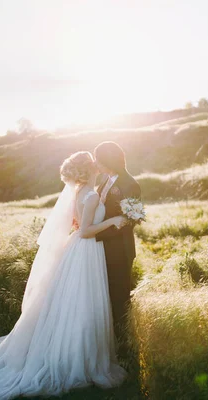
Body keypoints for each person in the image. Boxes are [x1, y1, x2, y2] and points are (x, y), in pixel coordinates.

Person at [0, 151, 127, 399]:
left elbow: (77, 225)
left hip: (77, 250)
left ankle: (72, 351)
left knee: (73, 302)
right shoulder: (92, 195)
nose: (98, 163)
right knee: (82, 302)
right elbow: (85, 231)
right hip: (85, 248)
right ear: (89, 168)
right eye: (94, 162)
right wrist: (113, 220)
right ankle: (78, 359)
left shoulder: (78, 192)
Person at [93, 141, 141, 352]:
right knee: (106, 296)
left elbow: (128, 221)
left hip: (119, 250)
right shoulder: (105, 179)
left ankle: (124, 345)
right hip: (103, 248)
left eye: (99, 159)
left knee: (120, 298)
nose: (96, 164)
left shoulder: (130, 184)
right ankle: (108, 342)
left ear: (108, 160)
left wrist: (94, 233)